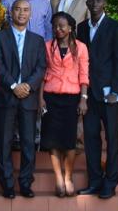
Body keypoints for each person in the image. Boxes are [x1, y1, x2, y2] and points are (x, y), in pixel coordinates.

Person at [0, 0, 46, 199]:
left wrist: (28, 86)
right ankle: (7, 184)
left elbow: (41, 68)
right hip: (7, 96)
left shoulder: (37, 40)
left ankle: (25, 183)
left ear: (30, 14)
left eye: (25, 10)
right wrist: (14, 86)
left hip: (29, 98)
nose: (21, 13)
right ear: (10, 12)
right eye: (17, 9)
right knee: (4, 142)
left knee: (28, 143)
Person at [77, 0, 118, 199]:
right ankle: (95, 181)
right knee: (90, 139)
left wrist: (115, 91)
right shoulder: (81, 28)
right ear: (87, 3)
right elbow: (79, 62)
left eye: (99, 1)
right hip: (89, 95)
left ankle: (111, 182)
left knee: (112, 140)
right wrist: (82, 93)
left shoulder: (115, 27)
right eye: (92, 1)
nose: (95, 4)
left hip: (109, 96)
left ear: (104, 4)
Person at [38, 12, 89, 197]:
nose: (58, 29)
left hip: (71, 97)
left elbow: (84, 74)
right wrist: (40, 98)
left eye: (62, 26)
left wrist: (83, 99)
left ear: (70, 28)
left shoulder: (81, 48)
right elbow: (42, 75)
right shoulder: (47, 46)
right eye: (55, 26)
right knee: (52, 140)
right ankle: (58, 178)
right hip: (51, 97)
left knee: (69, 141)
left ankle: (68, 176)